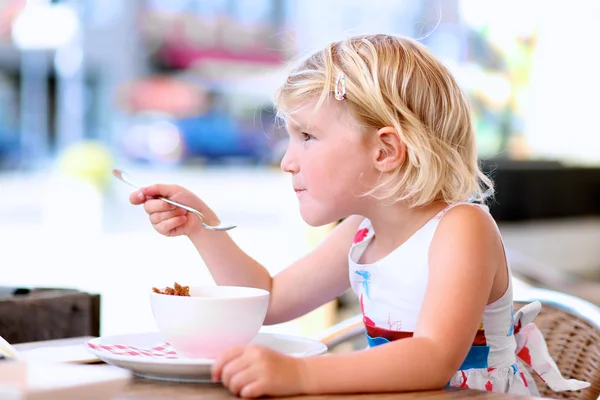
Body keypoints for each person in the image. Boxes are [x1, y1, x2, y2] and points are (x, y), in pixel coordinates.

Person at [129, 34, 590, 398]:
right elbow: (268, 300)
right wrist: (201, 226)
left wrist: (302, 375)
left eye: (307, 136)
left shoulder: (459, 229)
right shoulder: (362, 232)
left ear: (385, 150)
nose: (288, 160)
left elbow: (432, 359)